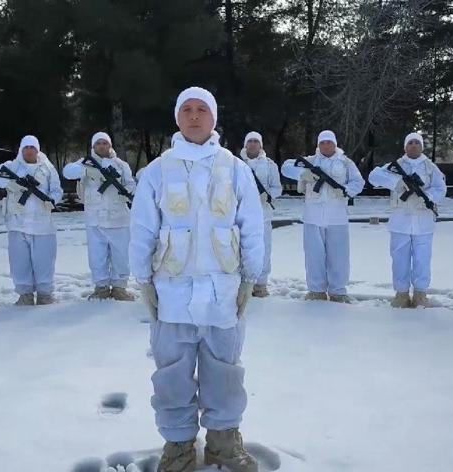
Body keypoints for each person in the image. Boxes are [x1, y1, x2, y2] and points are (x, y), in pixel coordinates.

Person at [129, 86, 264, 472]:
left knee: (224, 369)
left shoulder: (235, 169)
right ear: (177, 117)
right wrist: (143, 280)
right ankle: (178, 446)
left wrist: (249, 278)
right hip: (171, 293)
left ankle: (223, 442)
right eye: (186, 109)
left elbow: (252, 226)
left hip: (222, 292)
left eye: (201, 109)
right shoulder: (157, 170)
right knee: (171, 374)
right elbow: (142, 228)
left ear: (213, 117)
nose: (193, 116)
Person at [280, 130, 364, 303]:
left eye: (329, 142)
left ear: (335, 144)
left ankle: (338, 291)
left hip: (337, 216)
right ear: (318, 145)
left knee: (339, 256)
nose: (326, 145)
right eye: (323, 142)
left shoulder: (345, 162)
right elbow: (286, 166)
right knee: (314, 255)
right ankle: (316, 290)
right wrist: (303, 174)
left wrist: (346, 191)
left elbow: (359, 182)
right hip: (313, 215)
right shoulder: (310, 161)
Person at [368, 132, 446, 308]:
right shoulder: (396, 166)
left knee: (422, 259)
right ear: (405, 147)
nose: (413, 146)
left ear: (421, 147)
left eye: (417, 143)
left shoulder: (430, 167)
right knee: (400, 259)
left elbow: (441, 190)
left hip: (423, 221)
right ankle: (401, 294)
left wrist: (427, 196)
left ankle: (420, 294)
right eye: (410, 143)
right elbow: (374, 176)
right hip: (400, 221)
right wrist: (396, 182)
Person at [0, 135, 63, 306]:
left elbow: (57, 190)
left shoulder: (47, 168)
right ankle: (25, 294)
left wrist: (52, 200)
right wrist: (10, 184)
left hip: (42, 223)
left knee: (44, 260)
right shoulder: (12, 166)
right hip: (17, 222)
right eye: (26, 147)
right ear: (21, 150)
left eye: (32, 147)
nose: (29, 151)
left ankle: (45, 294)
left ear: (37, 149)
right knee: (19, 261)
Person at [63, 132, 136, 301]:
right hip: (95, 219)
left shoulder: (120, 165)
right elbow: (68, 172)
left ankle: (119, 287)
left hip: (118, 218)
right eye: (98, 144)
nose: (102, 146)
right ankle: (101, 287)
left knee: (121, 255)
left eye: (105, 143)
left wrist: (128, 192)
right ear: (93, 146)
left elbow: (131, 184)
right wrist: (87, 168)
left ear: (110, 145)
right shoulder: (85, 164)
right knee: (97, 255)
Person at [239, 131, 282, 297]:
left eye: (256, 141)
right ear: (245, 144)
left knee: (263, 249)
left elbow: (277, 188)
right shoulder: (236, 164)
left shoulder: (270, 165)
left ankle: (260, 284)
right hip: (241, 215)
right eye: (250, 141)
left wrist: (268, 195)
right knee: (240, 249)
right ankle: (242, 283)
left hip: (263, 215)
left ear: (261, 144)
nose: (253, 144)